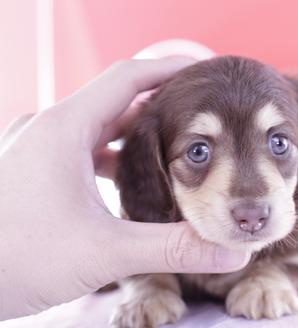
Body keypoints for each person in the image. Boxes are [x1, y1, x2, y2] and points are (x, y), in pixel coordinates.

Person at [0, 57, 250, 321]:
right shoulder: (147, 187)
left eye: (278, 143)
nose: (251, 205)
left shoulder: (292, 228)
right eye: (198, 151)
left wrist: (271, 275)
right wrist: (149, 285)